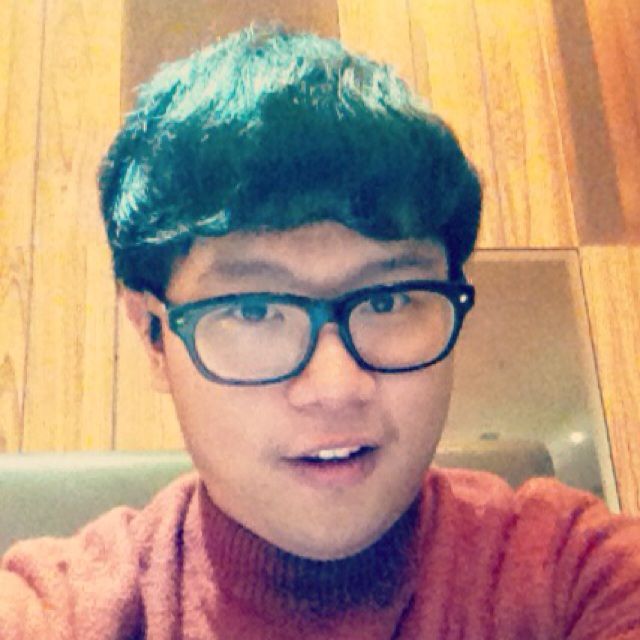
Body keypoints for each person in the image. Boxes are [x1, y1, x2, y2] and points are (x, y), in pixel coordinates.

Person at [1, 24, 639, 640]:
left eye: (387, 300)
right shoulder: (62, 609)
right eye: (255, 310)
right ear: (153, 335)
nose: (336, 387)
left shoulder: (576, 578)